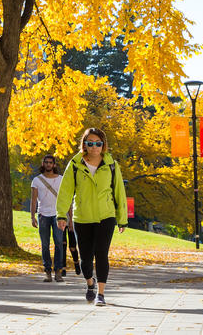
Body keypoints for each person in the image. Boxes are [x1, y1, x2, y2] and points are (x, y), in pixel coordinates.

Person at [57, 128, 127, 307]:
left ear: (103, 145)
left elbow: (119, 191)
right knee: (86, 259)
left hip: (106, 216)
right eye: (90, 143)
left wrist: (122, 218)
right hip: (83, 217)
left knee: (101, 254)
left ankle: (101, 294)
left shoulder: (111, 164)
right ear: (84, 145)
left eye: (98, 143)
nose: (94, 147)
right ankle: (90, 283)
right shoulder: (75, 164)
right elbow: (65, 191)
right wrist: (61, 215)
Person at [30, 154, 67, 282]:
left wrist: (69, 217)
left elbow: (65, 199)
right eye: (46, 162)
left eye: (50, 162)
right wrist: (32, 216)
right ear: (43, 164)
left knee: (58, 243)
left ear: (54, 165)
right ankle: (47, 271)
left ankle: (58, 271)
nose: (48, 164)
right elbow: (33, 199)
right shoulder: (36, 180)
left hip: (58, 216)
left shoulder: (61, 179)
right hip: (43, 215)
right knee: (45, 244)